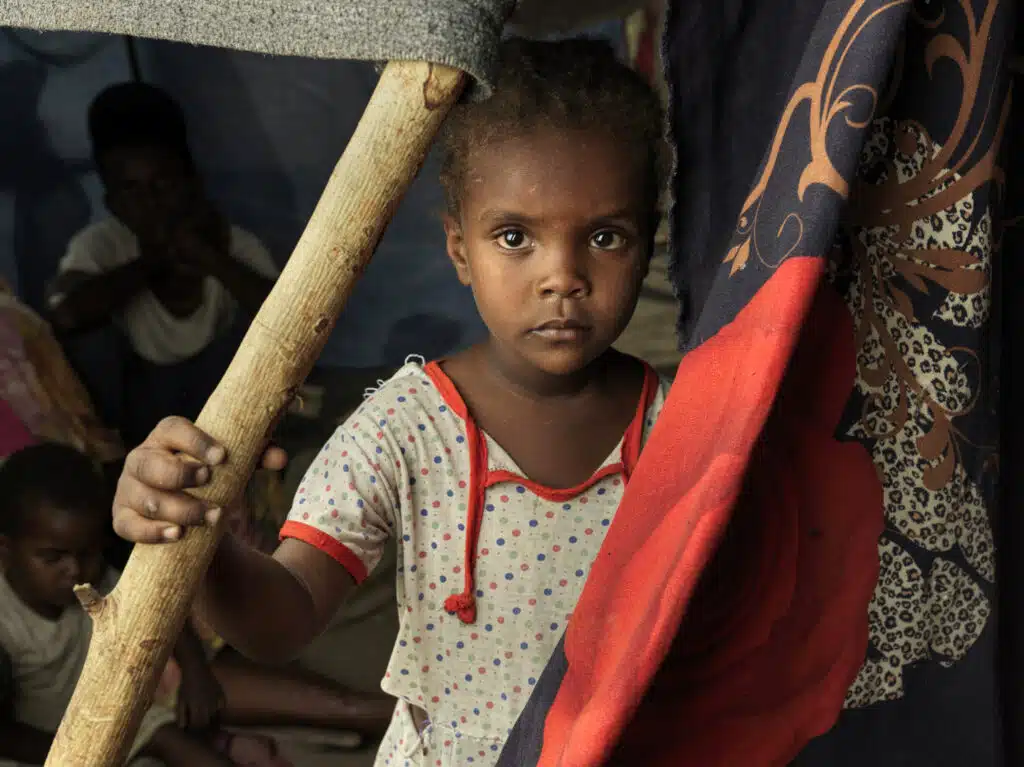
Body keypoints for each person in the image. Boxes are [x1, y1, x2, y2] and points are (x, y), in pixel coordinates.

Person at [111, 37, 668, 766]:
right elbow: (284, 616)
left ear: (648, 241)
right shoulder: (406, 428)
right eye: (514, 237)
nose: (562, 276)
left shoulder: (680, 425)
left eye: (604, 236)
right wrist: (196, 542)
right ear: (459, 249)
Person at [45, 83, 279, 447]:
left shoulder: (231, 243)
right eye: (131, 190)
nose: (150, 202)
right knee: (88, 336)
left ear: (192, 184)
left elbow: (288, 319)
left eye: (163, 184)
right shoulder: (103, 245)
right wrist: (156, 259)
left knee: (263, 328)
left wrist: (210, 258)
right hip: (131, 421)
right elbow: (65, 316)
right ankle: (112, 464)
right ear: (111, 201)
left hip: (221, 418)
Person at [0, 443, 238, 766]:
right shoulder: (7, 622)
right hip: (48, 749)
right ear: (5, 550)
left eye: (86, 554)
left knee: (170, 734)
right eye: (53, 557)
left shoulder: (95, 581)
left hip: (114, 717)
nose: (74, 570)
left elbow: (156, 606)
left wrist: (195, 671)